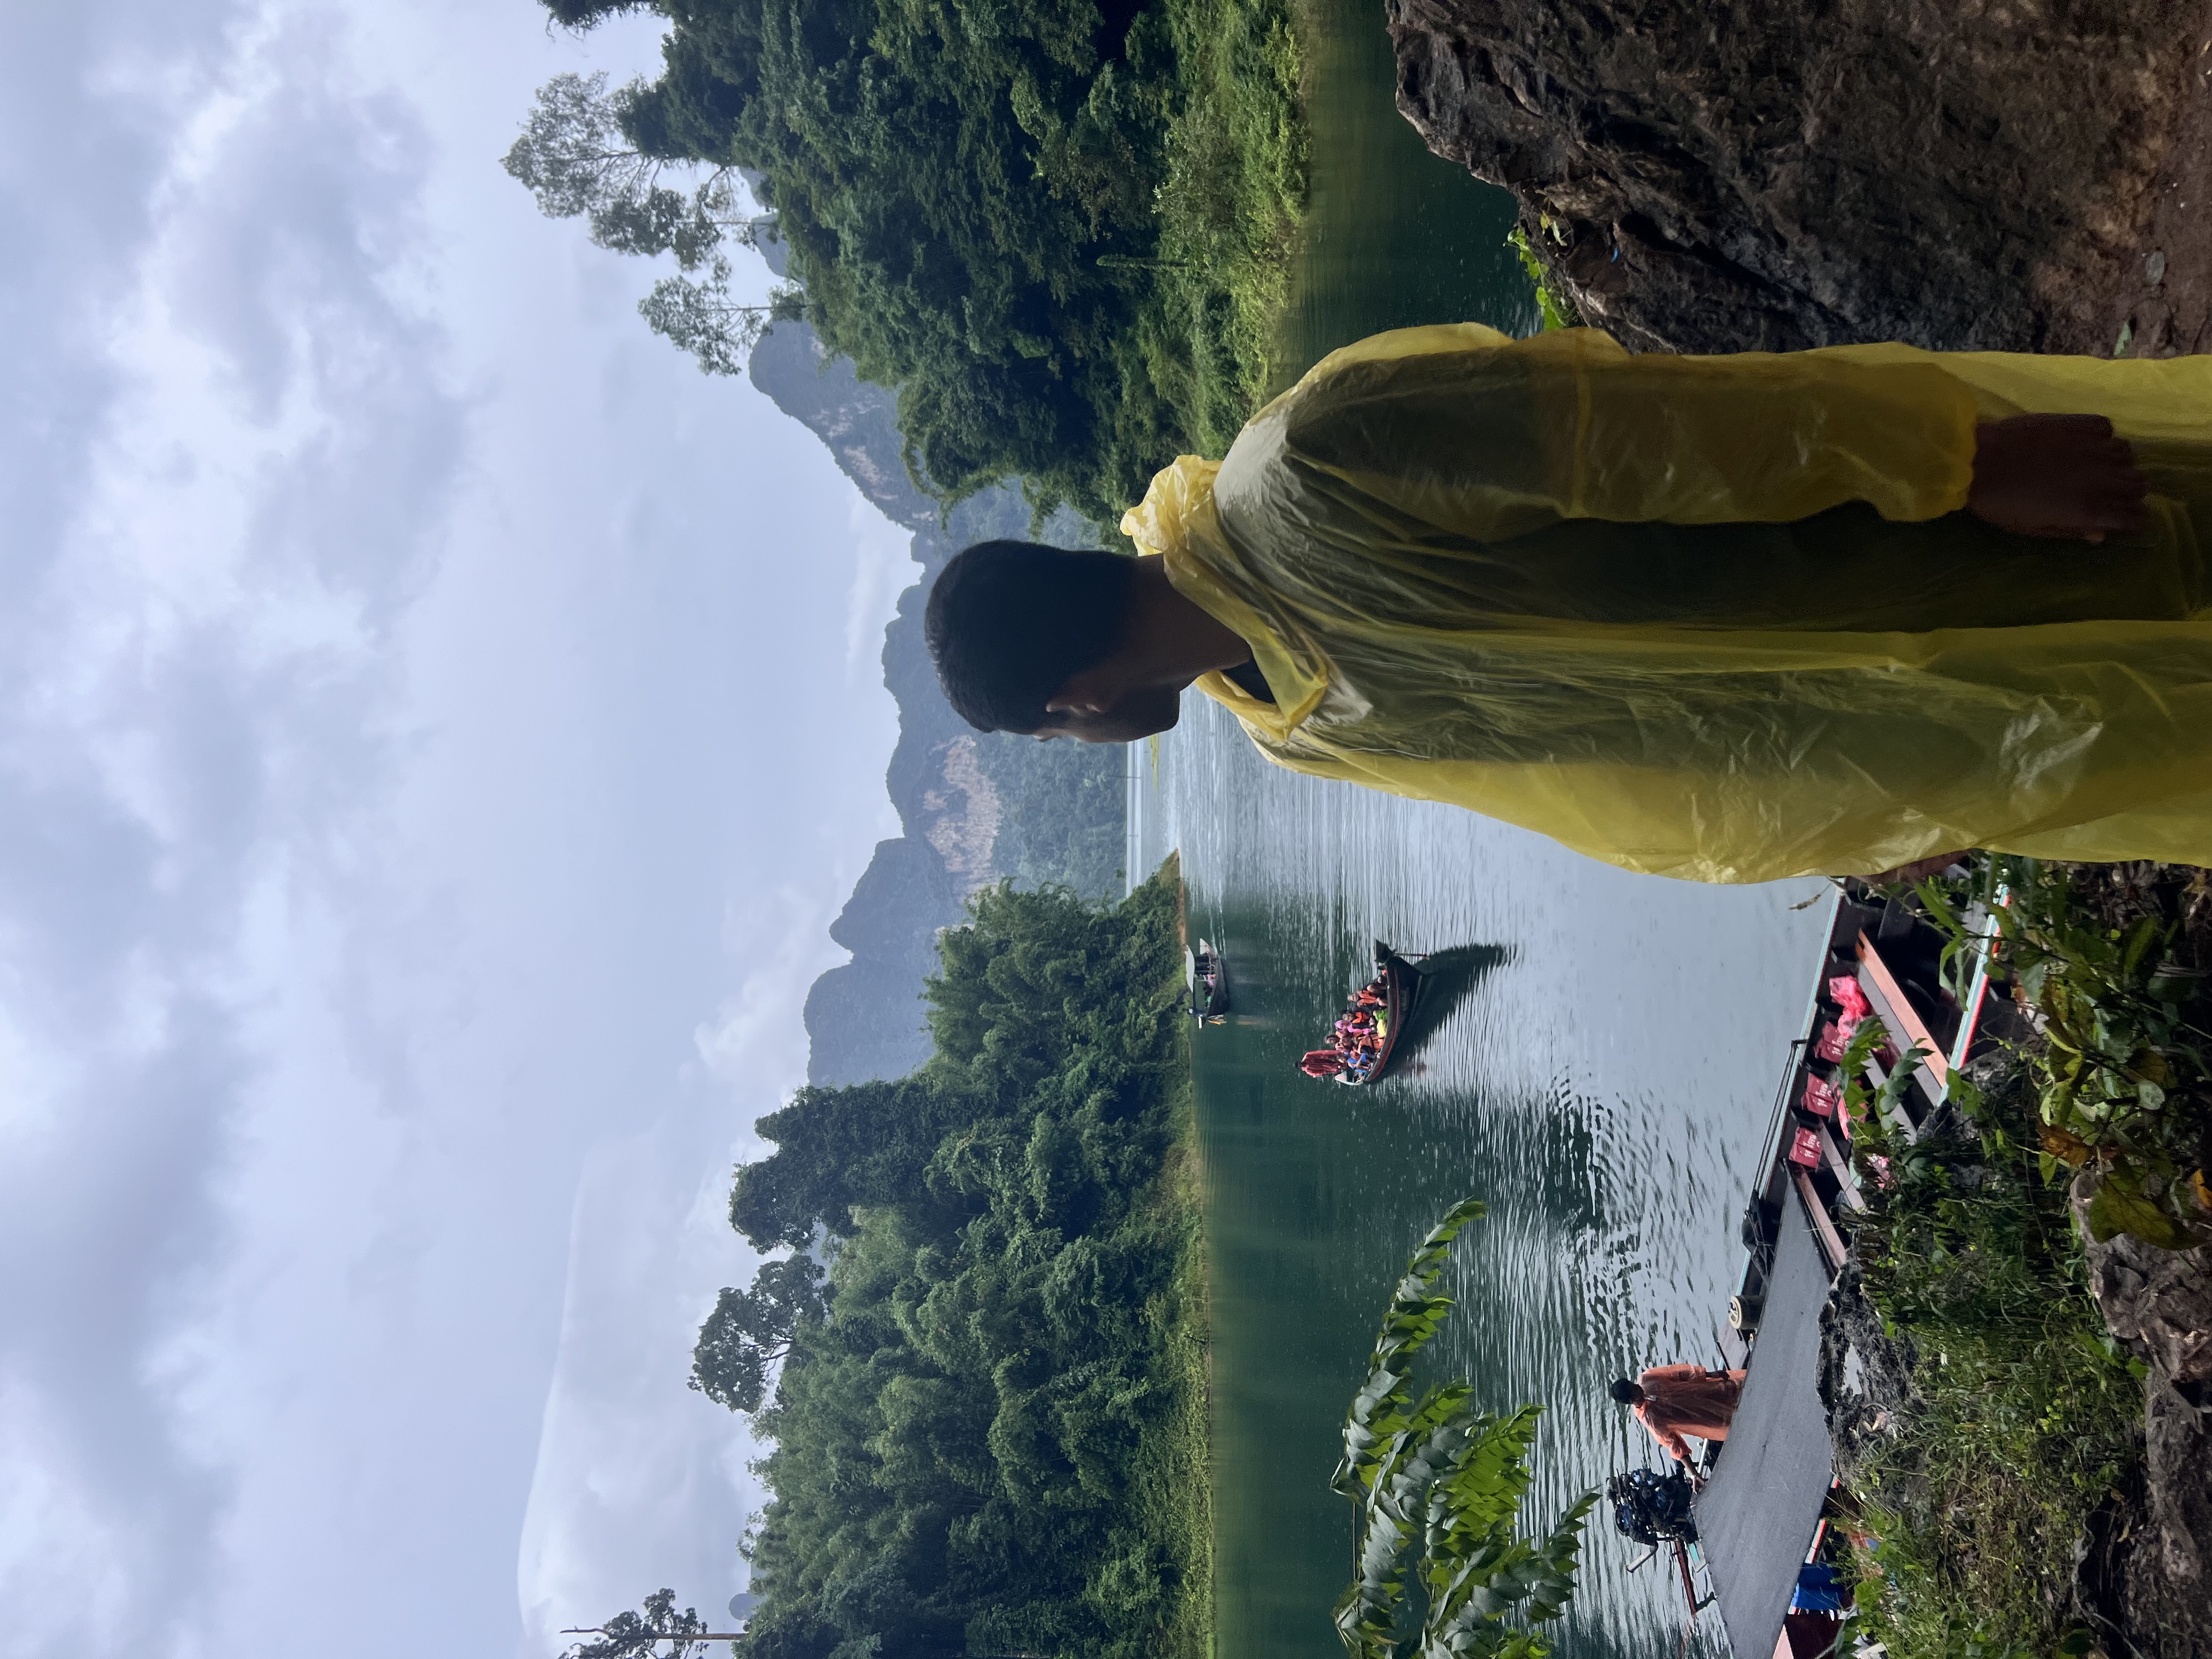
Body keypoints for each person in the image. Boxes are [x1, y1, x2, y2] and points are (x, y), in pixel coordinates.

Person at [923, 324, 2212, 883]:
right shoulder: (1303, 726)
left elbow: (1670, 433)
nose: (1079, 739)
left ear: (1074, 699)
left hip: (1926, 545)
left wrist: (1966, 466)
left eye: (1055, 735)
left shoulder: (1308, 465)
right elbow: (1618, 759)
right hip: (1956, 727)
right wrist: (1861, 817)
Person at [1612, 1364, 1747, 1470]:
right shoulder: (1650, 1418)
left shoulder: (1647, 1379)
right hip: (1707, 1417)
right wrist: (1694, 1474)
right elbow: (1672, 1442)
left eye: (1634, 1384)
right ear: (1631, 1400)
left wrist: (1709, 1374)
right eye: (1634, 1390)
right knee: (1740, 1420)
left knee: (1743, 1389)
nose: (1638, 1387)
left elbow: (1679, 1375)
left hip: (1709, 1391)